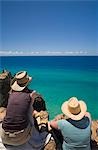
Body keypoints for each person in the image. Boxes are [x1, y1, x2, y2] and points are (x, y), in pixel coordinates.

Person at [1, 70, 37, 146]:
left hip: (4, 137)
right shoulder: (30, 95)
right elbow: (30, 112)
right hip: (20, 139)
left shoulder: (11, 95)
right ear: (27, 82)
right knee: (30, 115)